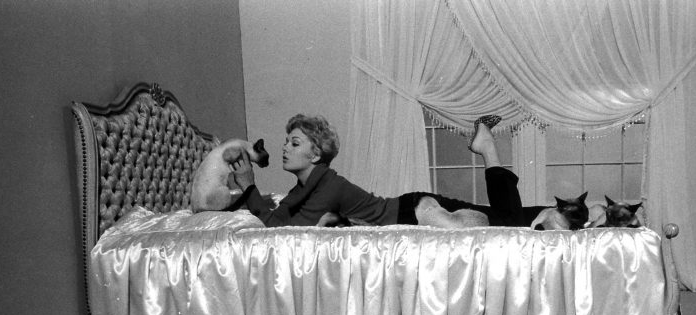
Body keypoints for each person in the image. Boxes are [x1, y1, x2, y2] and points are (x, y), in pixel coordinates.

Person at [226, 114, 546, 227]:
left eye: (294, 143)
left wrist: (249, 188)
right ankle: (560, 213)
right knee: (506, 217)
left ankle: (488, 147)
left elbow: (276, 228)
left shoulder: (324, 184)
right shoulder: (305, 189)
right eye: (287, 142)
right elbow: (278, 222)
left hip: (415, 211)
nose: (284, 148)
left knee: (510, 226)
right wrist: (248, 189)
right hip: (411, 208)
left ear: (316, 153)